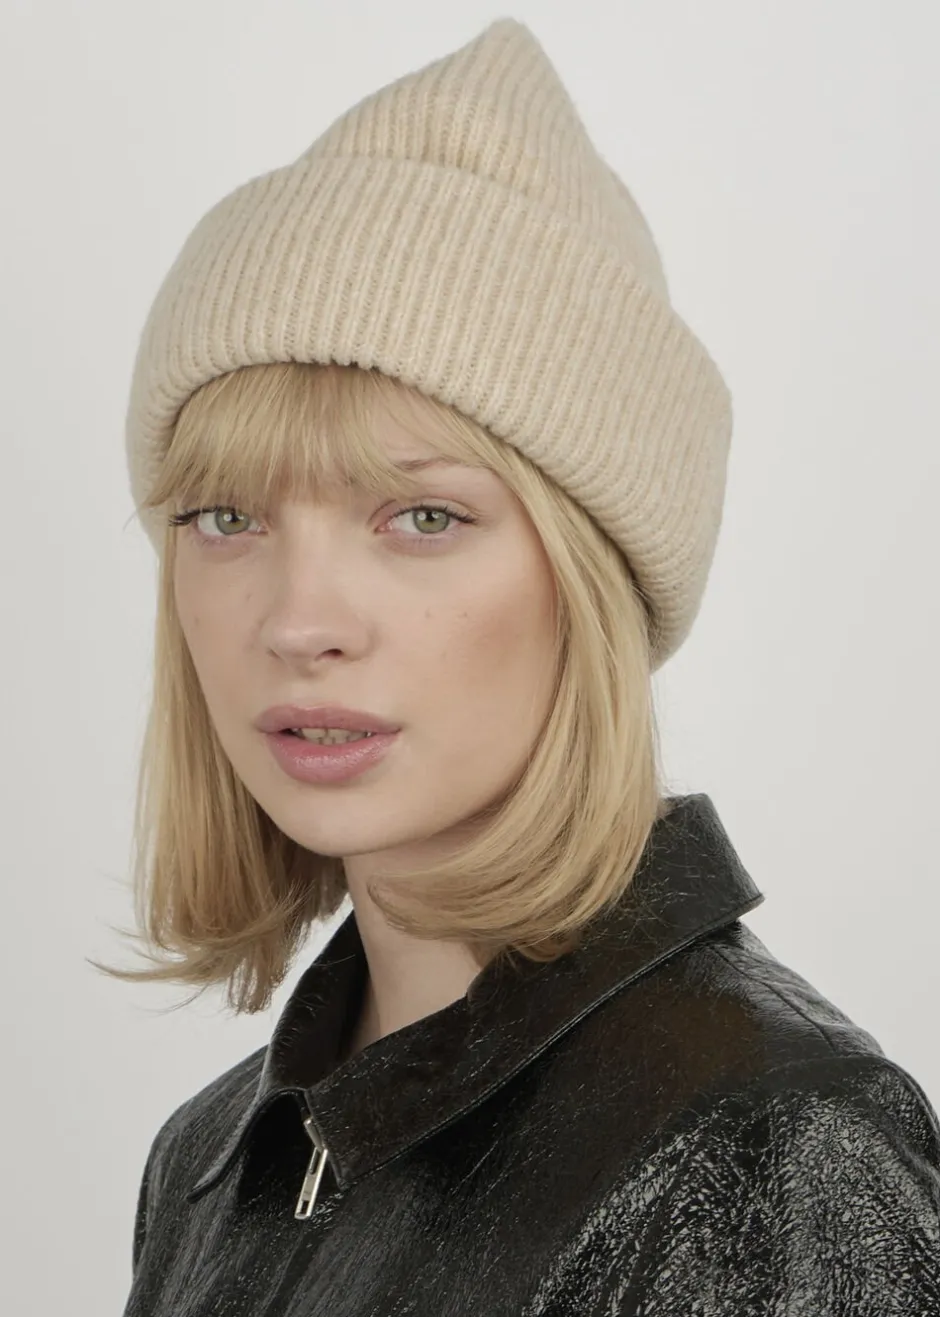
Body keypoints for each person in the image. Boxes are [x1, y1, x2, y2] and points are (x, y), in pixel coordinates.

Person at [101, 17, 940, 1315]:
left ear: (591, 584)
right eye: (227, 517)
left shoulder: (766, 1156)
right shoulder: (212, 1162)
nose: (299, 621)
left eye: (423, 517)